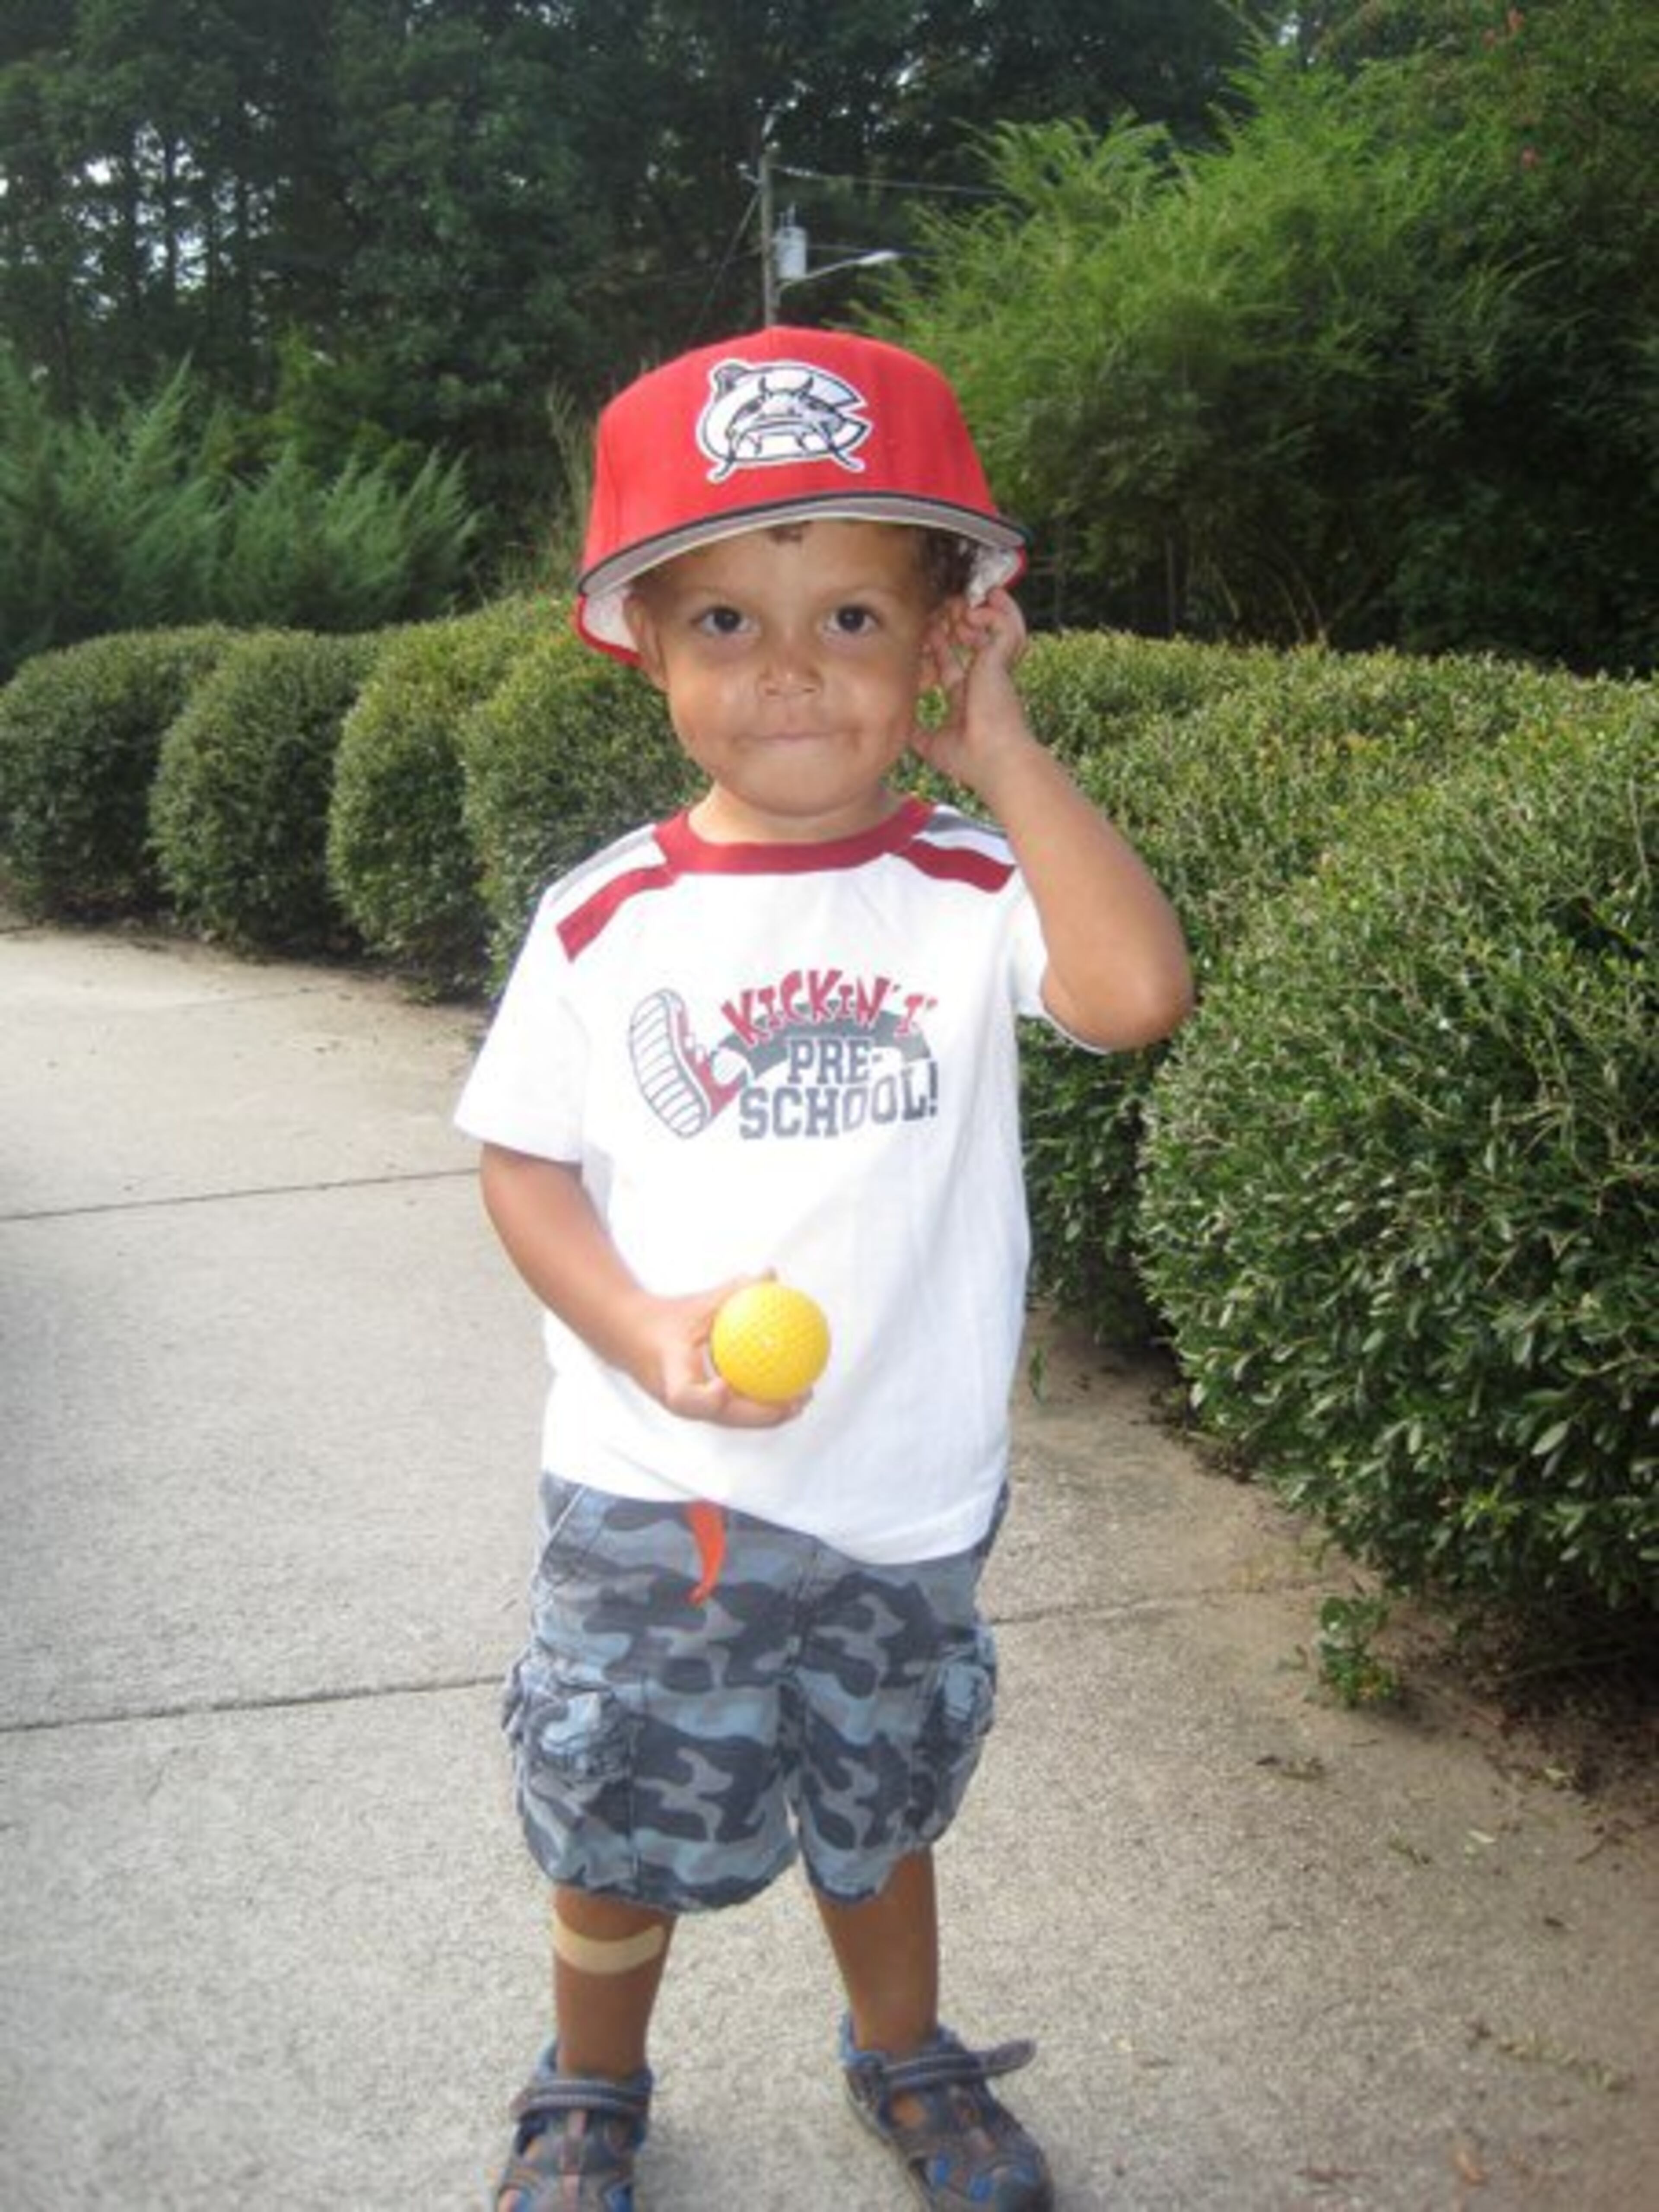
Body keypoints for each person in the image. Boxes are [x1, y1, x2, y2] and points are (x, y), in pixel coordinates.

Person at [455, 324, 1193, 2211]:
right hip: (661, 1481)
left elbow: (1132, 997)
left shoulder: (972, 886)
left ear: (947, 634)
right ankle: (589, 2084)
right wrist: (637, 1326)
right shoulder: (608, 915)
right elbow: (524, 1163)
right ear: (647, 645)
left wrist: (1006, 755)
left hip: (902, 1485)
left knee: (882, 1794)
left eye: (857, 616)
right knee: (623, 1803)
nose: (790, 665)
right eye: (726, 620)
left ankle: (904, 2050)